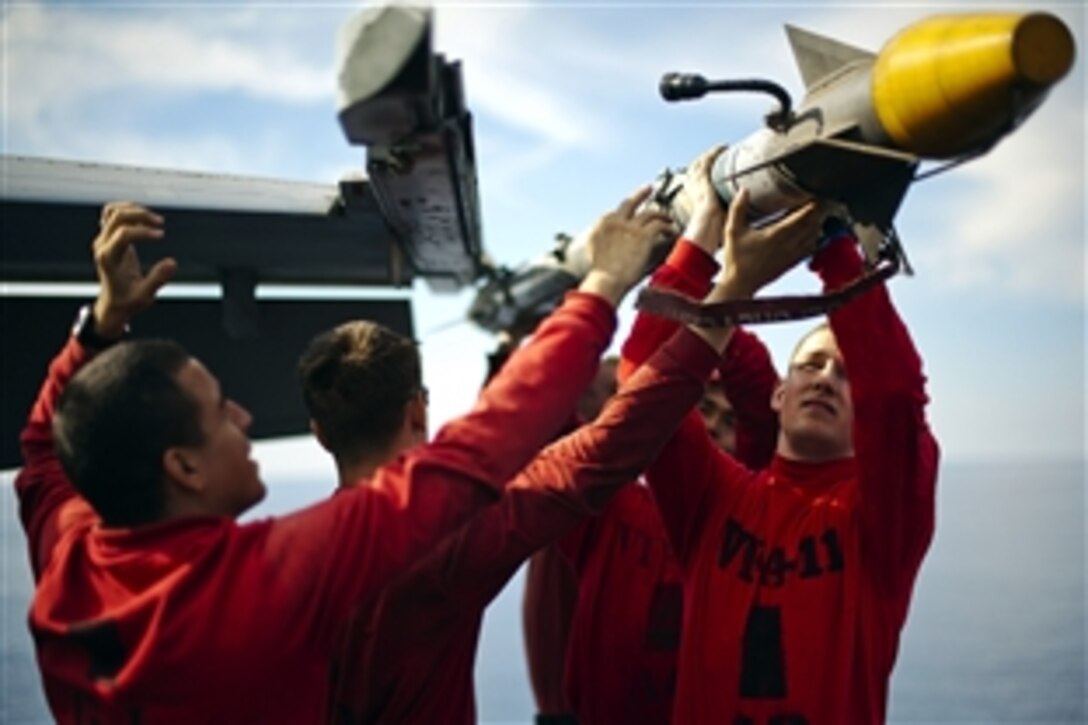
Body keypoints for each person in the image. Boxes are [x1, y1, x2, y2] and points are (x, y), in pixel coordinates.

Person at [14, 190, 670, 723]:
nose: (243, 417)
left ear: (321, 430)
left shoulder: (68, 565)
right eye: (219, 409)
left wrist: (100, 325)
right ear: (181, 468)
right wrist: (602, 285)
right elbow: (481, 449)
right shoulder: (264, 582)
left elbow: (43, 452)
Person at [308, 182, 821, 724]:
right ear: (418, 412)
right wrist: (708, 283)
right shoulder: (453, 542)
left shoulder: (276, 563)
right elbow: (610, 442)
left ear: (319, 432)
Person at [622, 151, 941, 723]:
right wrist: (700, 244)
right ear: (777, 394)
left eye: (846, 372)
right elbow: (644, 384)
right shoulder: (713, 498)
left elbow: (894, 396)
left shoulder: (882, 521)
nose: (825, 378)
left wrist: (835, 250)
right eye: (812, 365)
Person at [523, 147, 792, 725]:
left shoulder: (738, 507)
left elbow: (758, 402)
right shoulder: (613, 506)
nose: (717, 423)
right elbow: (557, 419)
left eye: (727, 415)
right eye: (701, 409)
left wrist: (706, 276)